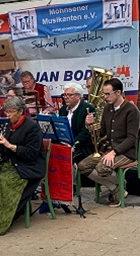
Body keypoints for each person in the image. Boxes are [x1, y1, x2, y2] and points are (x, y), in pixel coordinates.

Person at [0, 96, 46, 238]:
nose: (8, 115)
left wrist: (10, 146)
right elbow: (5, 151)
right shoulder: (9, 125)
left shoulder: (32, 127)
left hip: (29, 167)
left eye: (11, 112)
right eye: (6, 111)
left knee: (4, 182)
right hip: (12, 163)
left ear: (21, 111)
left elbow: (32, 154)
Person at [78, 78, 140, 207]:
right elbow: (101, 133)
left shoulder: (131, 110)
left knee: (102, 168)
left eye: (107, 94)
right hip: (108, 149)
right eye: (104, 94)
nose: (105, 97)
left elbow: (131, 139)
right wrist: (89, 125)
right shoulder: (107, 108)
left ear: (118, 93)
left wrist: (114, 152)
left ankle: (119, 187)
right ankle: (117, 187)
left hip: (126, 152)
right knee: (83, 166)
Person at [59, 82, 95, 163]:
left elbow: (86, 133)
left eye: (69, 95)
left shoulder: (88, 109)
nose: (66, 97)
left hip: (81, 147)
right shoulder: (63, 110)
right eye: (64, 95)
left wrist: (73, 144)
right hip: (64, 145)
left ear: (78, 96)